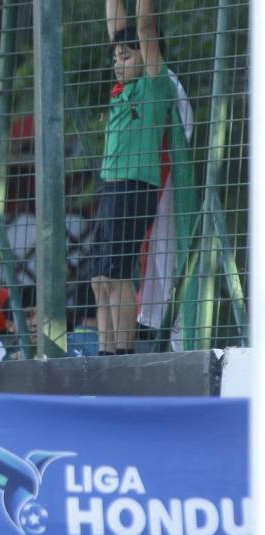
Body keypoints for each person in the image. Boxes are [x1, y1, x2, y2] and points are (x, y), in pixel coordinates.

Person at [93, 0, 190, 356]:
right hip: (110, 185)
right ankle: (104, 351)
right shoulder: (122, 88)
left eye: (127, 56)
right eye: (116, 57)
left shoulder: (154, 84)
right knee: (98, 278)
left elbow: (144, 27)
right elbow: (116, 25)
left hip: (135, 186)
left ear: (148, 56)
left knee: (118, 274)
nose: (118, 63)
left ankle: (121, 352)